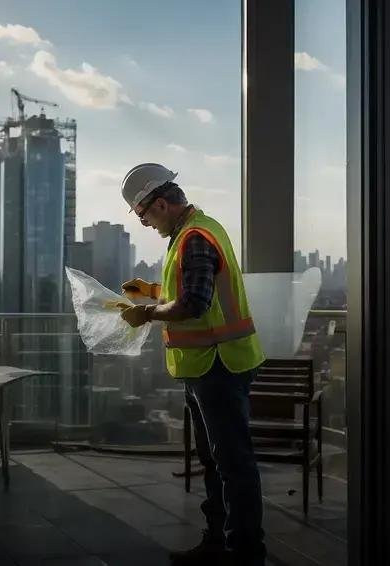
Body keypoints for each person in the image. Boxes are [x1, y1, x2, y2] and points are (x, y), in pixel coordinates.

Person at [117, 163, 267, 566]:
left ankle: (243, 551)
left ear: (161, 204)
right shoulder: (199, 229)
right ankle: (219, 542)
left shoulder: (194, 238)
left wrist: (148, 314)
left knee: (231, 462)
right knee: (217, 461)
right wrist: (150, 291)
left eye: (145, 216)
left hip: (217, 363)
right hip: (212, 364)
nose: (146, 224)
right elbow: (191, 289)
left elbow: (194, 303)